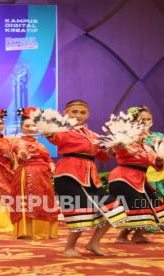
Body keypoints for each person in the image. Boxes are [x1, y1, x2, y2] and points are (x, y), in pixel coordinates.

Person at [47, 100, 127, 256]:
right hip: (68, 175)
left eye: (82, 112)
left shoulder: (92, 135)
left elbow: (103, 156)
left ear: (88, 115)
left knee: (115, 209)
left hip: (90, 177)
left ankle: (93, 242)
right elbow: (55, 138)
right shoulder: (62, 130)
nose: (78, 115)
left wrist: (115, 148)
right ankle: (69, 248)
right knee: (80, 211)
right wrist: (48, 131)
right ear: (66, 113)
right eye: (74, 111)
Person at [108, 107, 164, 244]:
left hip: (140, 180)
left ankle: (138, 235)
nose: (145, 123)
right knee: (139, 206)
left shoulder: (147, 146)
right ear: (134, 122)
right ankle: (122, 236)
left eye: (148, 120)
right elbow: (115, 150)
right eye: (142, 120)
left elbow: (156, 166)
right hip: (123, 179)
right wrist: (119, 144)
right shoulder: (126, 141)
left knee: (154, 205)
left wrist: (160, 162)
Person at [9, 107, 59, 240]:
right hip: (28, 174)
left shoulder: (40, 143)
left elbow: (48, 159)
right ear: (21, 127)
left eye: (34, 125)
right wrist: (23, 155)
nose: (31, 128)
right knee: (30, 200)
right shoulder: (19, 142)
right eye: (27, 125)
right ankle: (28, 231)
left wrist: (52, 166)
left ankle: (43, 231)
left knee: (45, 200)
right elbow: (20, 152)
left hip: (43, 176)